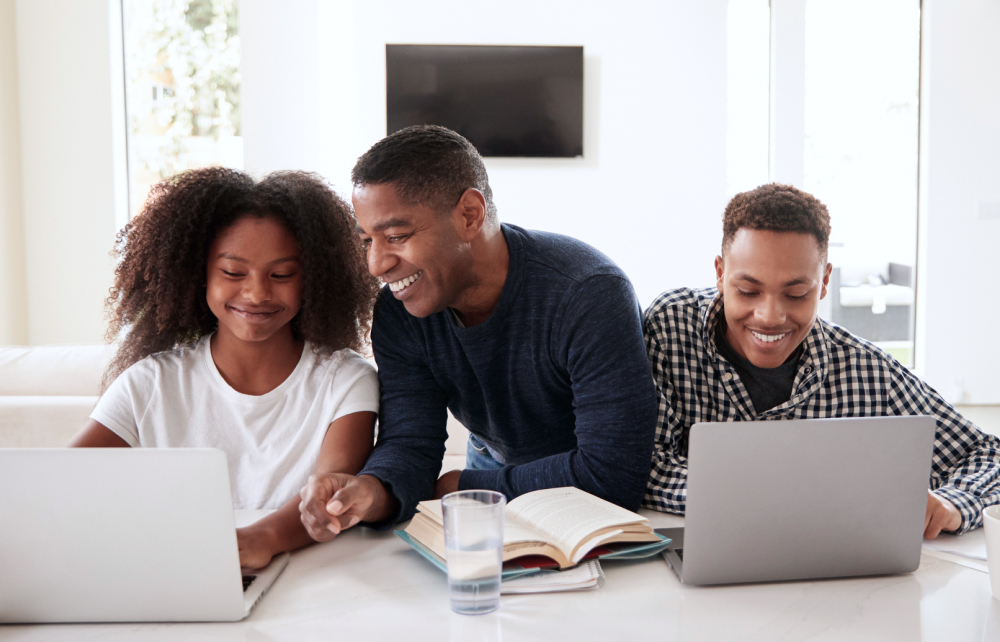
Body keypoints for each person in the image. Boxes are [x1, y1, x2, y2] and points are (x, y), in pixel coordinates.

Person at [299, 125, 658, 539]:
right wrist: (371, 489)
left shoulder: (587, 293)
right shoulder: (400, 314)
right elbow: (411, 444)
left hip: (576, 494)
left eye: (396, 236)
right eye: (367, 241)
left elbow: (612, 473)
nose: (376, 264)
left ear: (470, 214)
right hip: (494, 468)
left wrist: (465, 487)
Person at [641, 182, 1000, 538]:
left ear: (824, 282)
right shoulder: (671, 328)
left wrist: (953, 503)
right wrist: (782, 497)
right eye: (747, 291)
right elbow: (644, 463)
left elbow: (988, 454)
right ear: (720, 273)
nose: (769, 316)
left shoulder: (865, 371)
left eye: (796, 294)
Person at [70, 168, 381, 568]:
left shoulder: (346, 380)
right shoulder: (150, 385)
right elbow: (62, 484)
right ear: (199, 274)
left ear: (314, 280)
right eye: (233, 273)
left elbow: (329, 493)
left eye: (282, 274)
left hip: (311, 579)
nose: (256, 293)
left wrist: (262, 538)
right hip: (180, 570)